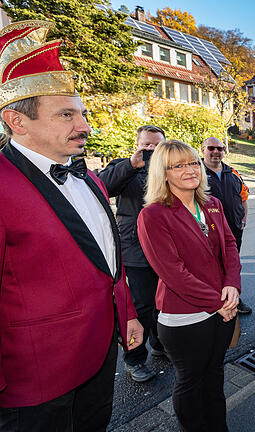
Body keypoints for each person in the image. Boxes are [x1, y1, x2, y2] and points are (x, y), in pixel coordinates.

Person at [0, 20, 142, 431]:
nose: (84, 126)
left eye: (82, 113)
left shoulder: (89, 177)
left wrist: (127, 314)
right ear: (17, 120)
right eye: (66, 115)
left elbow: (105, 260)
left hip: (99, 359)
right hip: (34, 384)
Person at [137, 140, 241, 432]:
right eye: (178, 165)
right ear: (163, 173)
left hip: (222, 310)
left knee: (215, 379)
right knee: (191, 381)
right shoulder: (153, 215)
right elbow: (174, 273)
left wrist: (232, 286)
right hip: (185, 317)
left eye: (193, 162)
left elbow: (230, 246)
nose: (190, 170)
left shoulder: (213, 204)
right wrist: (218, 303)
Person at [99, 124, 167, 383]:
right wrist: (131, 164)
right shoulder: (124, 166)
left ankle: (160, 344)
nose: (151, 150)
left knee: (163, 303)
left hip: (164, 249)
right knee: (140, 306)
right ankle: (135, 358)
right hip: (135, 250)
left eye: (156, 145)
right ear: (137, 144)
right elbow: (103, 186)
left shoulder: (167, 169)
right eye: (146, 144)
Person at [201, 137, 253, 315]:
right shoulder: (195, 172)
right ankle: (214, 302)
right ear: (203, 150)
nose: (215, 152)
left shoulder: (234, 173)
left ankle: (234, 300)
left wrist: (243, 220)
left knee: (232, 265)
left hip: (234, 230)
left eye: (219, 148)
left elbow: (243, 199)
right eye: (211, 148)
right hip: (208, 233)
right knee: (211, 268)